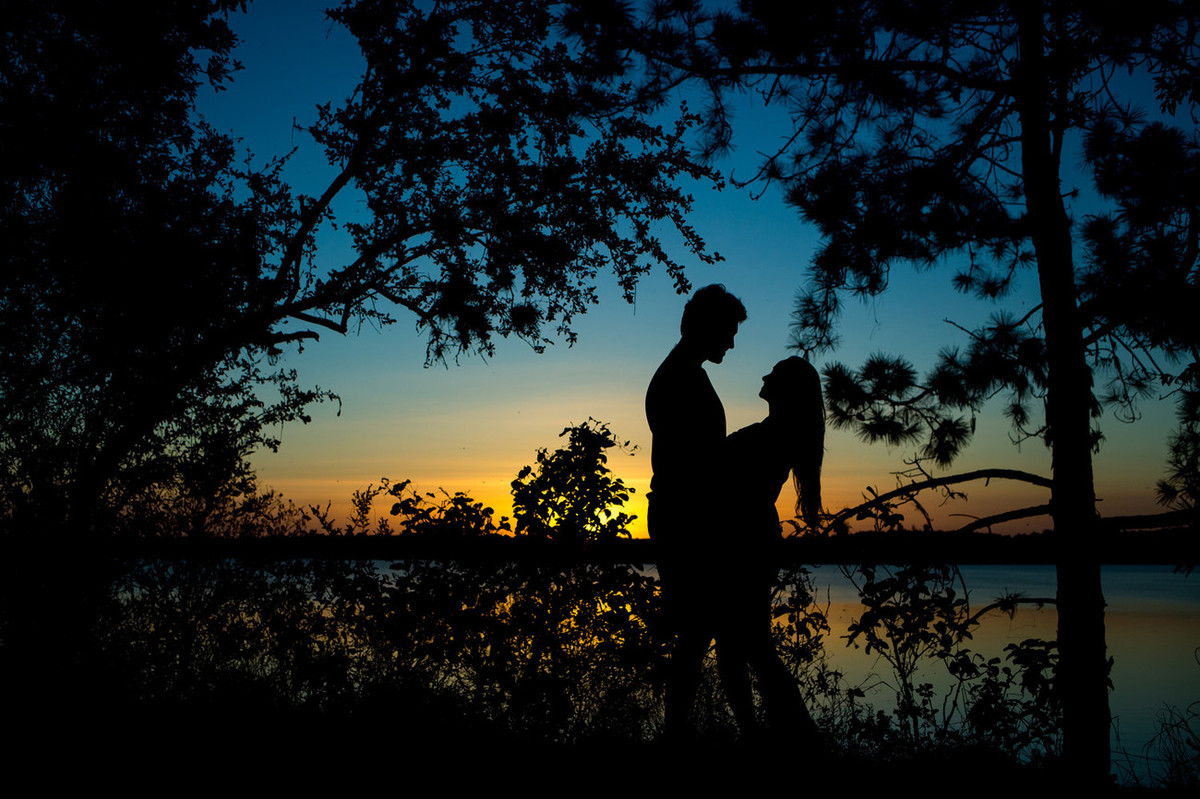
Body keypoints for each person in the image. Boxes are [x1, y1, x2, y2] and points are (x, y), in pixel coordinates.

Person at [645, 284, 746, 740]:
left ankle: (686, 735)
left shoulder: (685, 373)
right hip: (687, 523)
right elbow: (694, 465)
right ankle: (679, 737)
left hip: (687, 519)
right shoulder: (679, 379)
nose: (731, 342)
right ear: (704, 327)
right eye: (727, 331)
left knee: (705, 636)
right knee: (697, 637)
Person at [714, 356, 825, 743]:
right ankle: (768, 733)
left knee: (748, 647)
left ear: (787, 390)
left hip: (745, 543)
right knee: (741, 645)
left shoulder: (773, 436)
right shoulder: (780, 433)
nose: (763, 375)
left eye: (774, 375)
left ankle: (790, 735)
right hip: (751, 540)